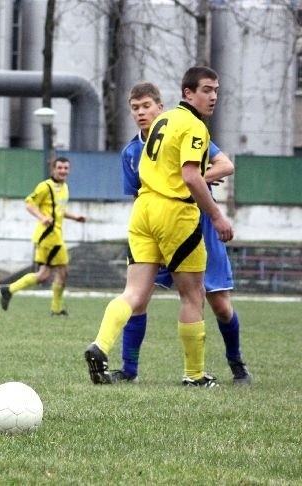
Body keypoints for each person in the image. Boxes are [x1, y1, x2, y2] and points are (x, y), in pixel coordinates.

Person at [84, 66, 234, 388]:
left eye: (216, 90)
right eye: (207, 90)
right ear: (187, 93)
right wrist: (218, 217)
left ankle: (100, 345)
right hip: (174, 213)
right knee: (193, 295)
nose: (213, 97)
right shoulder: (194, 126)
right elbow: (191, 177)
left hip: (142, 210)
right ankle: (194, 376)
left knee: (134, 293)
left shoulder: (161, 124)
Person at [111, 82, 251, 385]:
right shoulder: (131, 152)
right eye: (135, 108)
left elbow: (224, 165)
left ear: (160, 107)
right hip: (159, 228)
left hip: (198, 225)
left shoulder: (184, 129)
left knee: (218, 304)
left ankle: (236, 363)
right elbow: (138, 196)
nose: (140, 113)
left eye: (146, 106)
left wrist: (197, 180)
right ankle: (129, 369)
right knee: (139, 296)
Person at [0, 157, 86, 316]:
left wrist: (75, 217)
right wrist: (42, 218)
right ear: (53, 169)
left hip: (55, 235)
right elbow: (29, 204)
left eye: (66, 168)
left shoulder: (65, 187)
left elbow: (59, 210)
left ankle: (9, 290)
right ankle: (56, 309)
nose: (63, 171)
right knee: (62, 272)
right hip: (48, 236)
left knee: (45, 275)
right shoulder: (45, 186)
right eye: (59, 168)